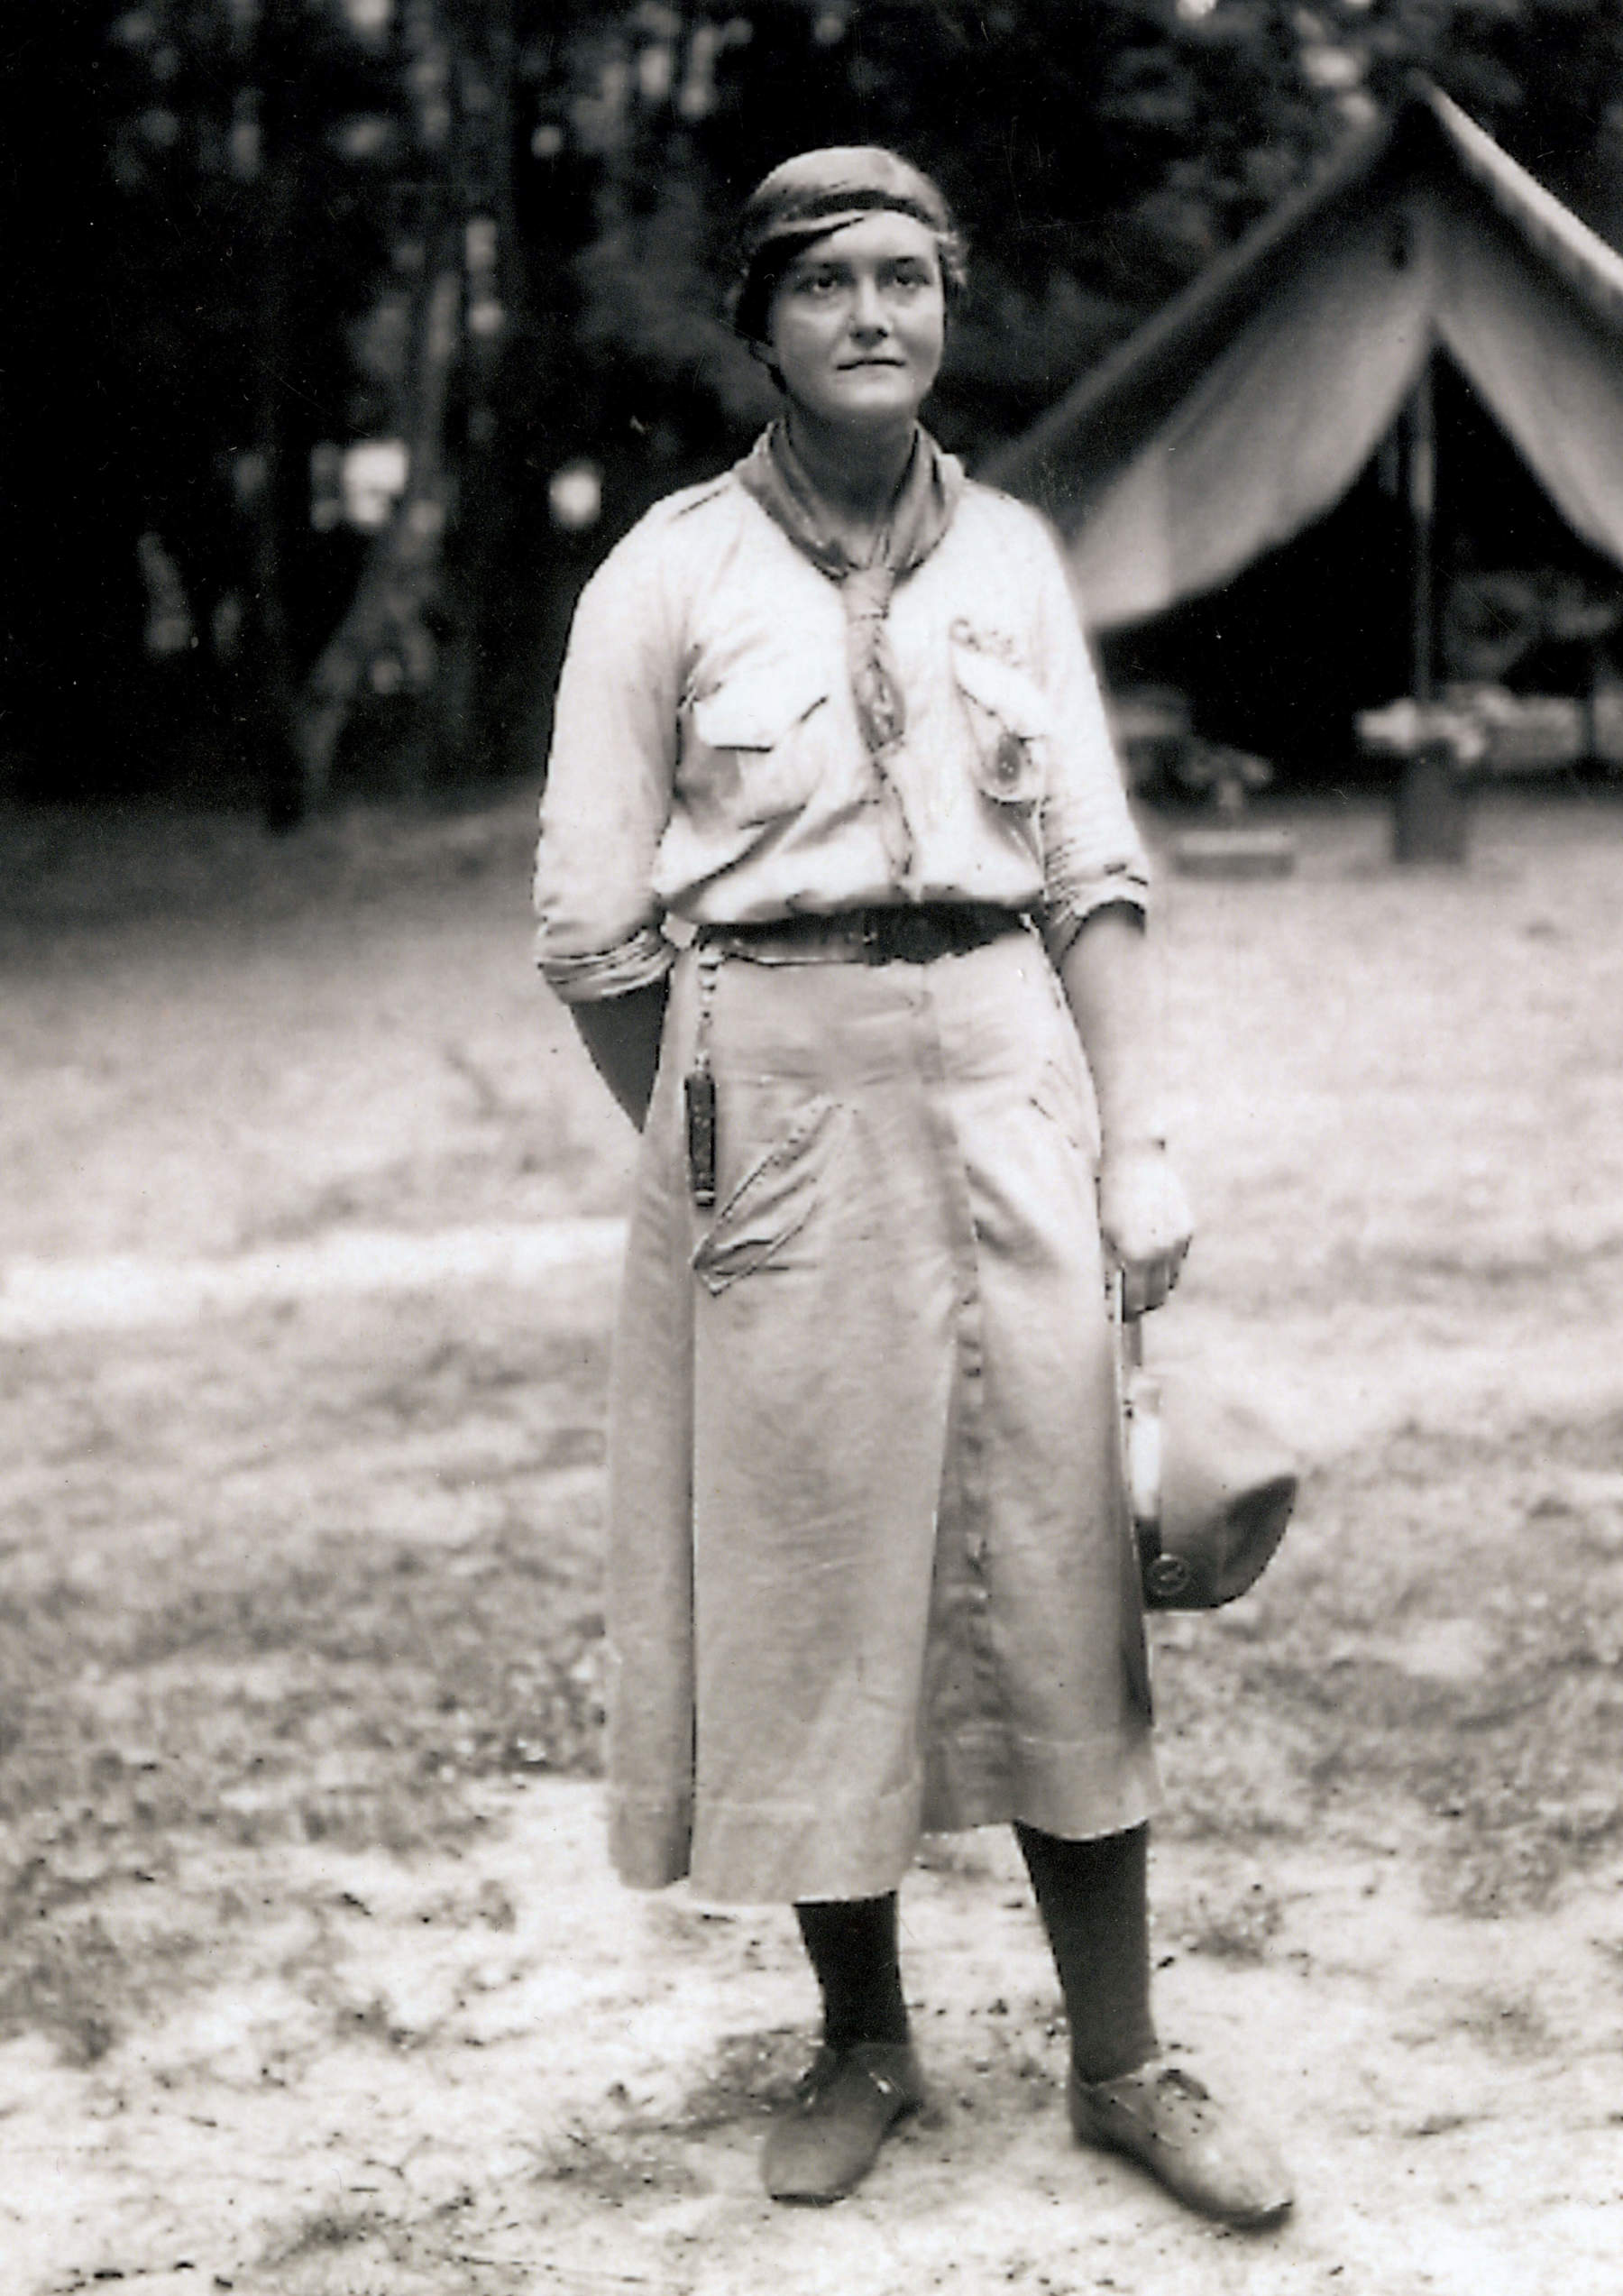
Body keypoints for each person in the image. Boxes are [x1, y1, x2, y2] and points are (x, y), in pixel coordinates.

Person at [533, 147, 1292, 2229]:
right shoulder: (665, 581)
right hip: (767, 1082)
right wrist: (716, 1133)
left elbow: (1095, 877)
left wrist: (1134, 1137)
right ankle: (863, 2037)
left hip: (1002, 1066)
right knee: (811, 1569)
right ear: (760, 323)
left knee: (1068, 1542)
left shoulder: (1018, 561)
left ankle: (1124, 2060)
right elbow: (595, 936)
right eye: (829, 285)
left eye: (910, 279)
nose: (877, 314)